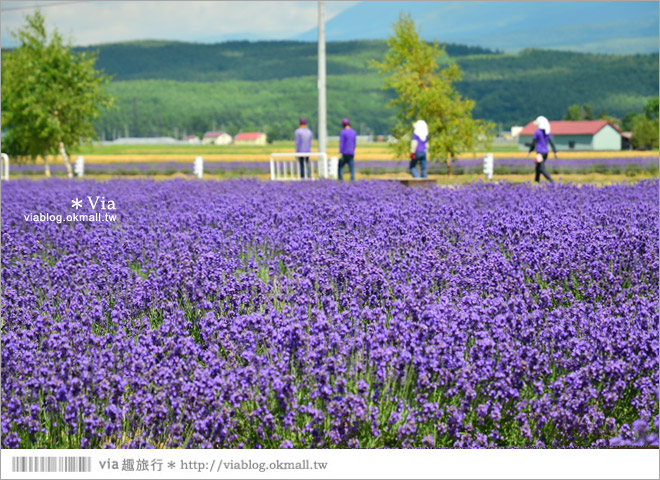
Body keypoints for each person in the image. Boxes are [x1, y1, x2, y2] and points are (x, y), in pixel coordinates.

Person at [528, 115, 557, 183]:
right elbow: (551, 143)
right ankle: (536, 181)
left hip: (540, 153)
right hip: (546, 152)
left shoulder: (537, 132)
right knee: (537, 167)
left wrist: (530, 151)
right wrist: (554, 151)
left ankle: (552, 181)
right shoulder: (547, 133)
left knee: (541, 168)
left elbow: (533, 143)